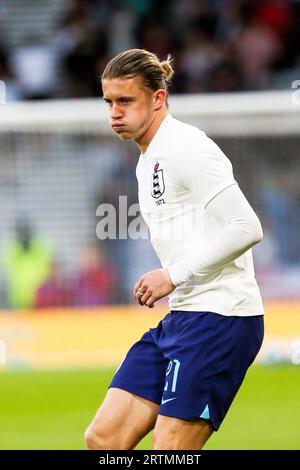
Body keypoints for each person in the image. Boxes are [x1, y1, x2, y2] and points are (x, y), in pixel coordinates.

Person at [84, 49, 264, 450]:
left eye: (125, 101)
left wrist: (173, 275)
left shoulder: (187, 147)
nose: (114, 112)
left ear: (158, 98)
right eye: (109, 102)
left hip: (222, 317)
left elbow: (246, 227)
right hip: (183, 317)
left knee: (170, 452)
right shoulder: (147, 160)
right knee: (104, 439)